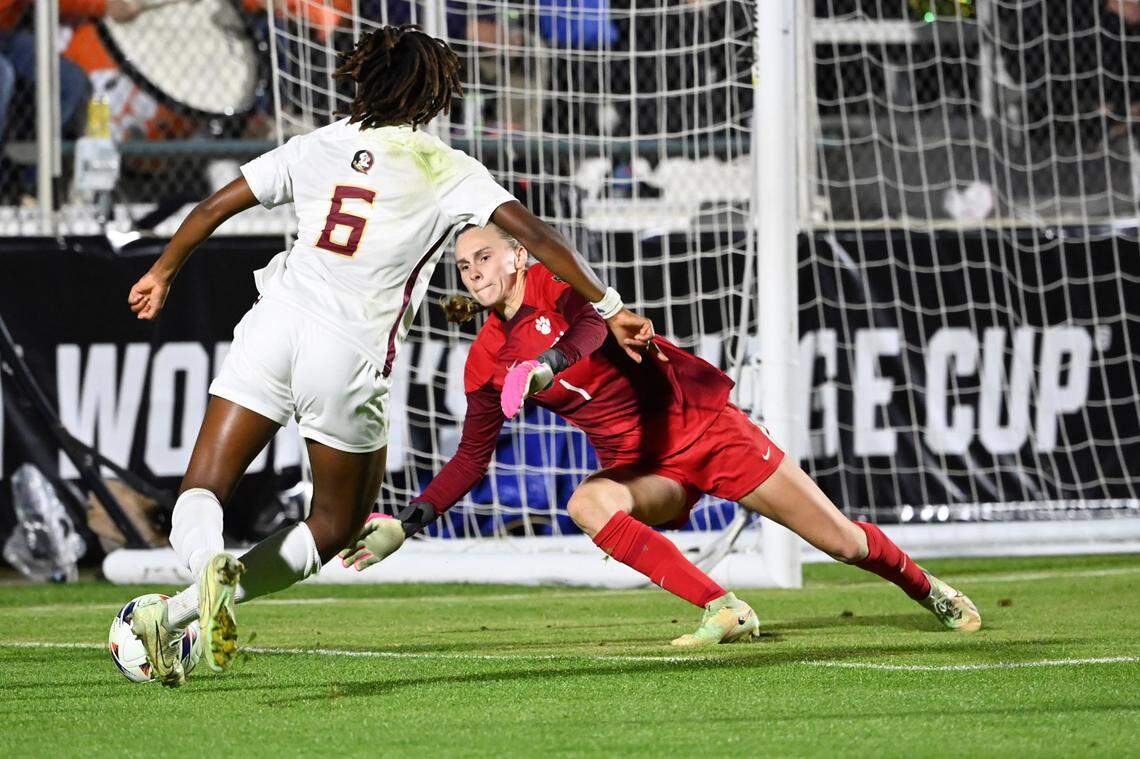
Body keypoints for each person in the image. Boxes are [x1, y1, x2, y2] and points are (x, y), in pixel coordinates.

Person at [123, 25, 654, 687]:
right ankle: (195, 602)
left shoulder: (318, 143)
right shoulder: (446, 167)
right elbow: (540, 239)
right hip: (347, 351)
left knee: (203, 484)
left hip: (275, 322)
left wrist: (163, 272)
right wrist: (609, 304)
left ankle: (203, 570)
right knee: (337, 522)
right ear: (432, 96)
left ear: (365, 80)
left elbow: (213, 206)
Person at [337, 223, 983, 646]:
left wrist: (547, 367)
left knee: (841, 541)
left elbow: (594, 324)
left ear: (518, 255)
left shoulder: (557, 286)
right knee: (588, 503)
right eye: (463, 265)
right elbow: (471, 459)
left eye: (484, 256)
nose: (474, 271)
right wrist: (409, 522)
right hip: (643, 466)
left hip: (706, 429)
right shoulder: (485, 359)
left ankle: (930, 590)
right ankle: (725, 608)